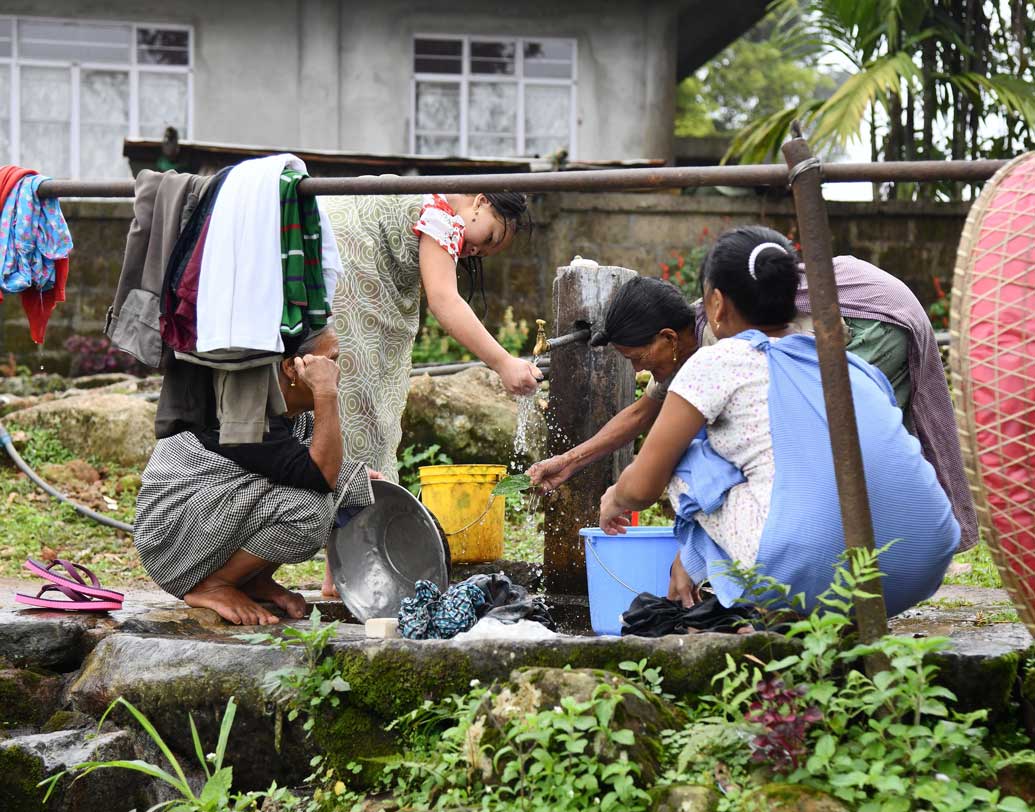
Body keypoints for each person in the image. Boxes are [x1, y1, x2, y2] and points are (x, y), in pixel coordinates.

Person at [529, 230, 977, 553]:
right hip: (872, 300)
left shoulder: (714, 345)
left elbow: (660, 451)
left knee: (826, 446)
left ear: (668, 338)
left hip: (871, 318)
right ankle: (866, 551)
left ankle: (845, 556)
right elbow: (640, 414)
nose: (639, 369)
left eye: (635, 357)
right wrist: (567, 462)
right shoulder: (707, 339)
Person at [597, 227, 960, 615]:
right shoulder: (849, 364)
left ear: (717, 304)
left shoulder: (715, 361)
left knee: (683, 454)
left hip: (808, 569)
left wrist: (615, 498)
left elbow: (643, 486)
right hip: (921, 563)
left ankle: (762, 599)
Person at [320, 191, 541, 595]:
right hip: (353, 281)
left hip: (335, 265)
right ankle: (349, 568)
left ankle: (340, 569)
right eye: (489, 237)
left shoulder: (430, 202)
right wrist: (505, 362)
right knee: (363, 415)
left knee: (351, 414)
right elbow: (444, 300)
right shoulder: (443, 214)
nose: (477, 250)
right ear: (479, 203)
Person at [134, 326, 377, 625]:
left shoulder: (295, 417)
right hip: (170, 537)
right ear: (291, 367)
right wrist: (326, 391)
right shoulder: (245, 414)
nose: (335, 371)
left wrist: (352, 478)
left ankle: (251, 580)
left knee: (355, 484)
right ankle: (213, 585)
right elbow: (322, 476)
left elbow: (322, 471)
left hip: (211, 516)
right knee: (310, 511)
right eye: (330, 360)